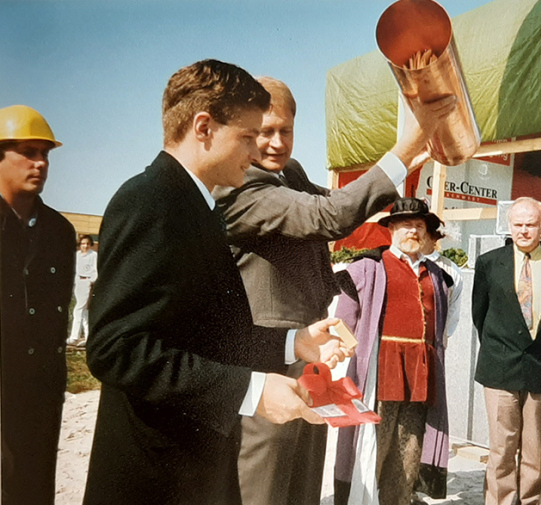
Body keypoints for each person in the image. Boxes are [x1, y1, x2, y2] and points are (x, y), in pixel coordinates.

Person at [83, 60, 348, 504]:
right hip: (155, 477)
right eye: (247, 136)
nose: (256, 151)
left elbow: (205, 335)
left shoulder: (196, 207)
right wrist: (252, 388)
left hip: (194, 466)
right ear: (203, 127)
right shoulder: (150, 202)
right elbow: (115, 348)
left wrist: (292, 343)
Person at [213, 78, 454, 505]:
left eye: (284, 130)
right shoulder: (242, 184)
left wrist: (419, 153)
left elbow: (347, 208)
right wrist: (408, 144)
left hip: (310, 353)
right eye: (262, 132)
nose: (275, 143)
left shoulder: (291, 173)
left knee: (303, 483)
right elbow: (329, 215)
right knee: (263, 483)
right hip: (265, 356)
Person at [334, 198, 451, 505]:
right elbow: (342, 323)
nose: (412, 231)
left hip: (420, 372)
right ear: (391, 230)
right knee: (375, 443)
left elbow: (442, 329)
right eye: (404, 225)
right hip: (380, 369)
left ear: (426, 232)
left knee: (410, 446)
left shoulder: (437, 276)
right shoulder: (366, 267)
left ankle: (398, 500)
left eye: (418, 226)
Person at [472, 196, 541, 505]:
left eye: (531, 224)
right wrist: (503, 346)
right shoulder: (490, 263)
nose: (524, 231)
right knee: (502, 447)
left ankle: (530, 500)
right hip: (500, 366)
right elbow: (479, 315)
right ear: (509, 225)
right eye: (518, 224)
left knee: (533, 448)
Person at [0, 104, 74, 504]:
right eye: (28, 152)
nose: (40, 163)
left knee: (33, 487)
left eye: (45, 154)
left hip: (40, 389)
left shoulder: (59, 232)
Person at [420, 214, 463, 347]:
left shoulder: (450, 270)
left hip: (433, 343)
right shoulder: (397, 263)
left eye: (422, 231)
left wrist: (438, 335)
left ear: (434, 237)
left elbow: (452, 311)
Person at [67, 234, 97, 346]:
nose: (85, 246)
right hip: (78, 282)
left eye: (87, 244)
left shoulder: (94, 255)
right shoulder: (77, 255)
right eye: (83, 243)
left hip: (86, 281)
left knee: (78, 309)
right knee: (84, 312)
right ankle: (89, 336)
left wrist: (91, 281)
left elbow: (95, 270)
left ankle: (74, 337)